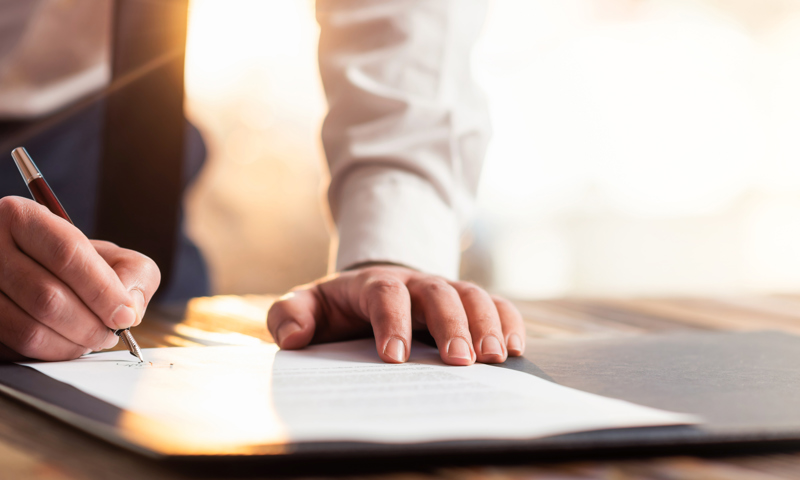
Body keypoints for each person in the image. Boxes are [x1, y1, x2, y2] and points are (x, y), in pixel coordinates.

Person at [0, 0, 525, 366]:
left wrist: (389, 252)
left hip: (124, 129)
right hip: (33, 146)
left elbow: (404, 32)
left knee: (145, 316)